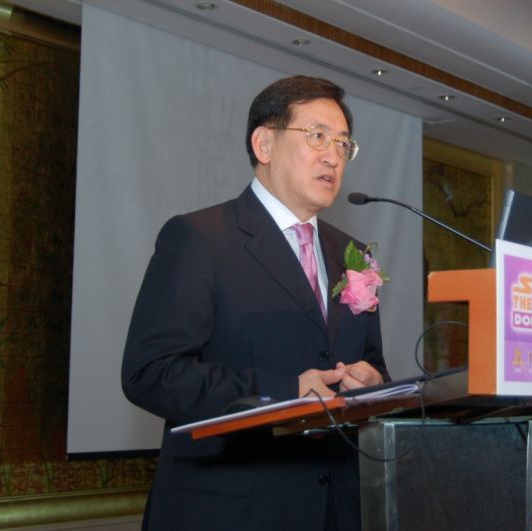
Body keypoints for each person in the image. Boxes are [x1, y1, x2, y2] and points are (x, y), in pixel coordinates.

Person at [121, 75, 389, 531]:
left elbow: (373, 362)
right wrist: (285, 392)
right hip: (231, 512)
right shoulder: (200, 239)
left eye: (343, 144)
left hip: (335, 509)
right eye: (317, 136)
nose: (333, 156)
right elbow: (151, 373)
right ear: (264, 144)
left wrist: (374, 383)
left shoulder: (355, 256)